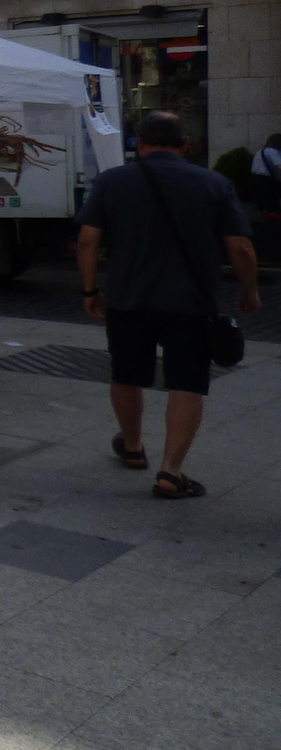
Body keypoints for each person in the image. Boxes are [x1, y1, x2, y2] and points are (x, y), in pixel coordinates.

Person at [77, 110, 260, 499]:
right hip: (192, 303)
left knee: (126, 374)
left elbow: (87, 241)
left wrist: (91, 291)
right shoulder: (214, 182)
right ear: (185, 145)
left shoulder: (112, 181)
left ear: (139, 144)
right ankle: (171, 471)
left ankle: (132, 446)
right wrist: (250, 290)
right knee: (187, 382)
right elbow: (240, 246)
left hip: (128, 299)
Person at [251, 132, 281, 215]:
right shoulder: (273, 152)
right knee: (272, 206)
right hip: (267, 181)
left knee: (262, 206)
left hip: (256, 179)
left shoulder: (259, 152)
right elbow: (279, 167)